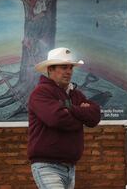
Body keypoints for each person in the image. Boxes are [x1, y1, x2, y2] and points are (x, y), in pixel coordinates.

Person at [28, 47, 101, 189]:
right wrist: (80, 115)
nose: (69, 71)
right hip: (47, 166)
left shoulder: (75, 94)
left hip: (70, 167)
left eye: (70, 68)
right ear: (50, 69)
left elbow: (95, 116)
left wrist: (69, 109)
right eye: (63, 67)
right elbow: (57, 118)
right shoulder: (41, 92)